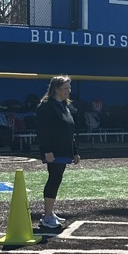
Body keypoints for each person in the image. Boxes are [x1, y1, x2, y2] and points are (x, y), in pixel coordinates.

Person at [35, 75, 80, 230]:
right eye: (65, 88)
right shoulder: (47, 106)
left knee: (57, 179)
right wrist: (46, 150)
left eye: (69, 87)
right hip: (54, 150)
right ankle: (47, 216)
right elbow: (43, 130)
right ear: (56, 89)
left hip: (64, 150)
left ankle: (50, 213)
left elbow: (70, 130)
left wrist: (75, 151)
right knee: (54, 179)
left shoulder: (64, 106)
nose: (69, 91)